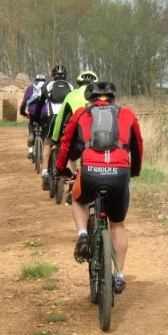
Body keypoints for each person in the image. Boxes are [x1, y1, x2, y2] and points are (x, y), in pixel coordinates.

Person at [55, 81, 143, 293]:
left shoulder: (81, 113)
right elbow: (138, 146)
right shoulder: (127, 114)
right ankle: (119, 275)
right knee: (118, 224)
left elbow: (66, 144)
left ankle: (83, 235)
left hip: (90, 173)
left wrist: (60, 169)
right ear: (114, 98)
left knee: (78, 199)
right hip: (119, 174)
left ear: (90, 99)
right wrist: (134, 170)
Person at [50, 70, 99, 204]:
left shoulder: (71, 95)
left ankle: (73, 186)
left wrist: (55, 138)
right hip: (99, 136)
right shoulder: (102, 97)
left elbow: (60, 119)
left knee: (71, 157)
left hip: (79, 137)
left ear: (78, 84)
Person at [35, 64, 74, 190]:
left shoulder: (49, 86)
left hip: (53, 118)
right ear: (65, 76)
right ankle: (70, 175)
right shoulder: (70, 86)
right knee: (66, 146)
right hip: (67, 119)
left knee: (47, 143)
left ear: (53, 75)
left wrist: (36, 119)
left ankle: (45, 172)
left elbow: (40, 104)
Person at [19, 73, 47, 158]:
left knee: (31, 123)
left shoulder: (30, 88)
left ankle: (31, 136)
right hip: (45, 112)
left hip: (33, 112)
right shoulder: (47, 88)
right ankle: (43, 140)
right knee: (45, 127)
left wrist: (23, 112)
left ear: (36, 81)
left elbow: (25, 102)